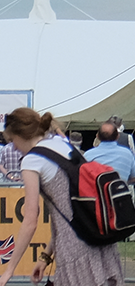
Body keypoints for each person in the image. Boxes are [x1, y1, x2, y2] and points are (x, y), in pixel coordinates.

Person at [0, 106, 125, 286]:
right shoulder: (62, 144)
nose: (14, 147)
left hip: (74, 251)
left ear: (20, 134)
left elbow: (30, 221)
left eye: (12, 141)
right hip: (98, 238)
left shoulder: (31, 161)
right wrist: (45, 257)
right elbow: (69, 211)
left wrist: (9, 270)